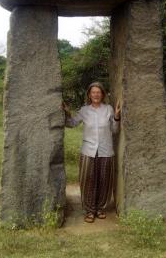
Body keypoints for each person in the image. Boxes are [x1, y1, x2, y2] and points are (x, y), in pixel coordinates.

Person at [62, 81, 121, 223]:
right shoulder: (84, 110)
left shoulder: (108, 109)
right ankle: (89, 210)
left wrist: (117, 116)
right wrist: (67, 112)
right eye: (93, 92)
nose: (96, 95)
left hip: (106, 151)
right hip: (88, 151)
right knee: (88, 181)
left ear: (102, 94)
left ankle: (100, 208)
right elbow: (72, 123)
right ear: (89, 94)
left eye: (98, 92)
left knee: (104, 180)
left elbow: (115, 130)